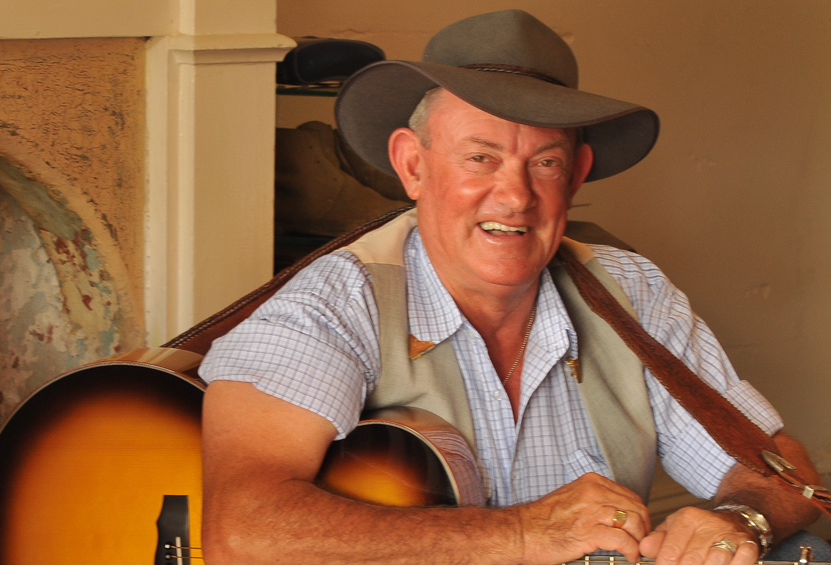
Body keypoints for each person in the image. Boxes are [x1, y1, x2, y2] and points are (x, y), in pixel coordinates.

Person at [199, 10, 827, 565]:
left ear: (576, 174)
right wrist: (522, 535)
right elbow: (244, 531)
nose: (516, 195)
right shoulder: (329, 307)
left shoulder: (631, 292)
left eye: (545, 162)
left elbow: (780, 470)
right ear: (412, 165)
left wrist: (738, 519)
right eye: (481, 157)